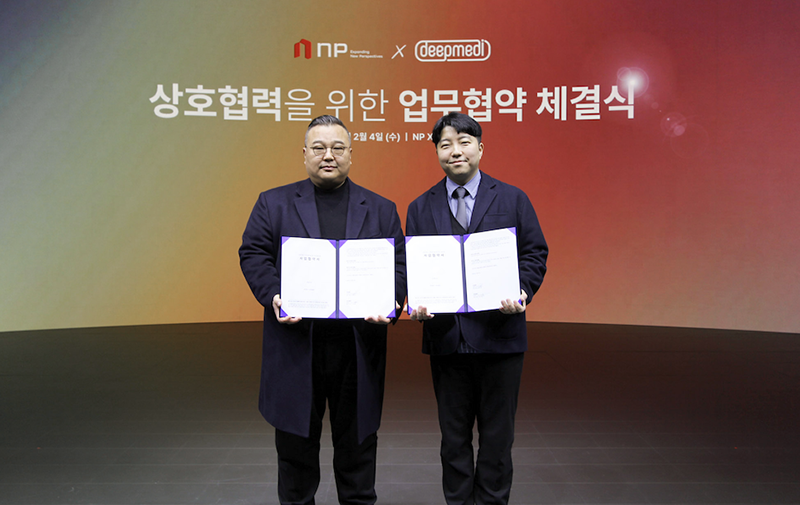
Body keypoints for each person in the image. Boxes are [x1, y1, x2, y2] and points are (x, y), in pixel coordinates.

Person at [239, 115, 406, 505]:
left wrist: (391, 301)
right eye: (318, 148)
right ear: (304, 154)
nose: (328, 155)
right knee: (295, 456)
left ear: (351, 154)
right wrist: (274, 294)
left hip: (357, 347)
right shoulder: (272, 202)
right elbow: (254, 254)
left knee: (358, 453)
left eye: (337, 148)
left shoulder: (381, 208)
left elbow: (399, 265)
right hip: (297, 345)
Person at [406, 112, 548, 505]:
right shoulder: (420, 207)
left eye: (464, 142)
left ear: (480, 148)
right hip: (447, 340)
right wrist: (415, 300)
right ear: (437, 152)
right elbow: (413, 266)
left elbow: (534, 253)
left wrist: (521, 290)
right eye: (445, 144)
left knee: (498, 438)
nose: (455, 151)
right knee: (453, 439)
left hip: (500, 338)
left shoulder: (513, 198)